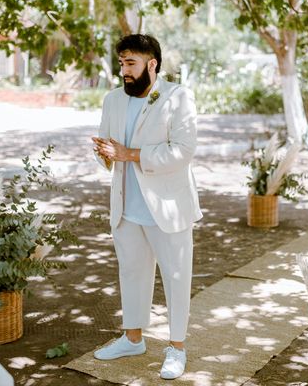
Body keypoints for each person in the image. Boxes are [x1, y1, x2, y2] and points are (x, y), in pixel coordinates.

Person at [91, 34, 202, 380]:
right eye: (121, 63)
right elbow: (109, 152)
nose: (123, 70)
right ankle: (133, 338)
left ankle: (177, 348)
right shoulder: (112, 100)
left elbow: (183, 151)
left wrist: (130, 155)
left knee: (176, 277)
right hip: (125, 207)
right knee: (132, 273)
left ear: (151, 64)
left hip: (167, 207)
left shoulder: (177, 97)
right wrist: (105, 155)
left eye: (130, 63)